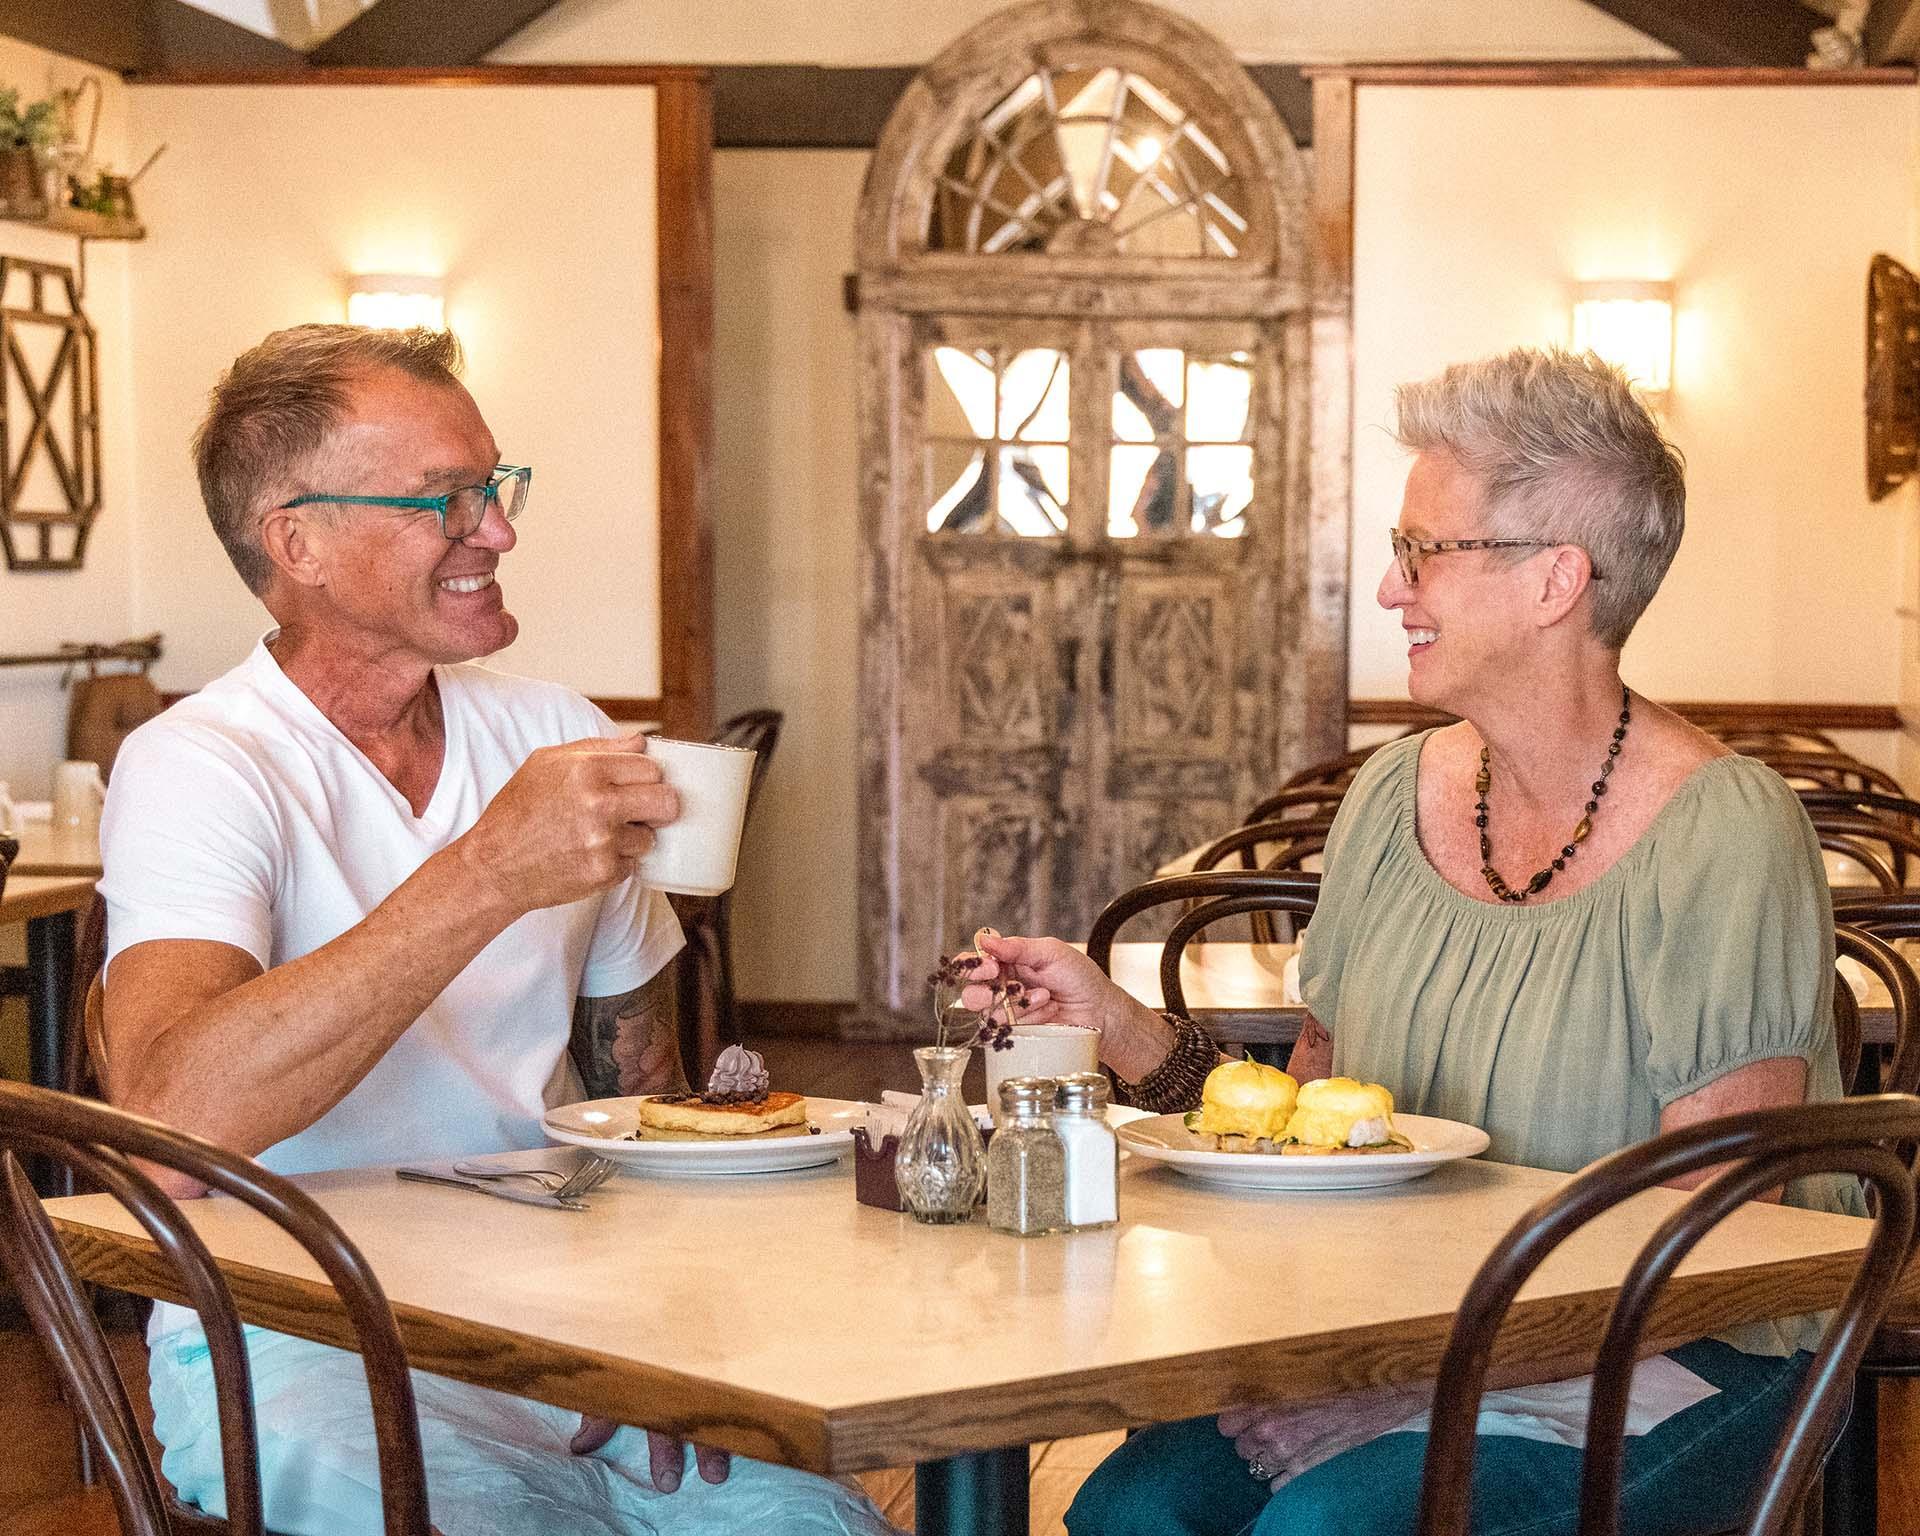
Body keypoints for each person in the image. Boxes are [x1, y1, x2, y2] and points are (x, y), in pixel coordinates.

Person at [964, 348, 1855, 1536]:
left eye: (1423, 551)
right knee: (1131, 1509)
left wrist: (1414, 1392)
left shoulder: (1726, 832)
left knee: (1326, 1529)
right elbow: (1309, 1128)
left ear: (1554, 582)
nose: (1393, 591)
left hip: (1679, 1359)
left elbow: (1705, 1238)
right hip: (1408, 1328)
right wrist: (1114, 1028)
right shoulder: (1391, 796)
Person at [97, 324, 896, 1536]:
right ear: (296, 541)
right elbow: (167, 1129)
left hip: (572, 1326)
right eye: (442, 500)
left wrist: (678, 1333)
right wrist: (485, 871)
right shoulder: (201, 765)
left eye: (493, 486)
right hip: (303, 1335)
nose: (499, 531)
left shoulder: (550, 729)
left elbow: (649, 1091)